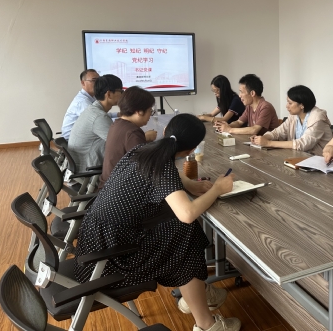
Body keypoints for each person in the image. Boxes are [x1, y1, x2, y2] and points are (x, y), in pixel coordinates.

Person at [74, 114, 240, 331]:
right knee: (184, 234)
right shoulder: (162, 167)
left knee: (181, 230)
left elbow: (170, 176)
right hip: (108, 259)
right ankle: (207, 324)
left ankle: (196, 294)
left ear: (165, 131)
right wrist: (217, 189)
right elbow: (187, 213)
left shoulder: (142, 150)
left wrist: (190, 185)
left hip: (95, 239)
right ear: (191, 151)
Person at [99, 86, 158, 189]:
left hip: (109, 186)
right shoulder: (133, 132)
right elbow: (144, 168)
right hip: (119, 191)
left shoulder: (117, 124)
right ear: (139, 111)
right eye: (150, 110)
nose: (150, 115)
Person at [250, 85, 332, 155]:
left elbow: (303, 144)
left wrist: (268, 143)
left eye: (290, 103)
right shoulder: (293, 116)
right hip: (298, 158)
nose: (286, 106)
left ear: (302, 105)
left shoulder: (317, 117)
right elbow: (278, 132)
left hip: (318, 161)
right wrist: (262, 138)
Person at [68, 74, 123, 171]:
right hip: (88, 171)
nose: (123, 95)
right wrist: (146, 137)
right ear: (109, 94)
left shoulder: (93, 109)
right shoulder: (99, 117)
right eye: (121, 91)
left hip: (82, 165)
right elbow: (120, 143)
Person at [61, 69, 117, 140]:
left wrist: (118, 114)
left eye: (99, 81)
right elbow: (98, 119)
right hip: (71, 140)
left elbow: (100, 115)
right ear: (83, 83)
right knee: (114, 139)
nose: (98, 84)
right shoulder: (82, 102)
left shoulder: (92, 97)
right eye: (94, 80)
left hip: (82, 135)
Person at [214, 74, 278, 136]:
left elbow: (254, 130)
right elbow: (239, 122)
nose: (239, 95)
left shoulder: (265, 107)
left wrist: (229, 129)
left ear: (252, 93)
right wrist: (226, 126)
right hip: (255, 141)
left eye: (241, 92)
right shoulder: (249, 107)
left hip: (269, 142)